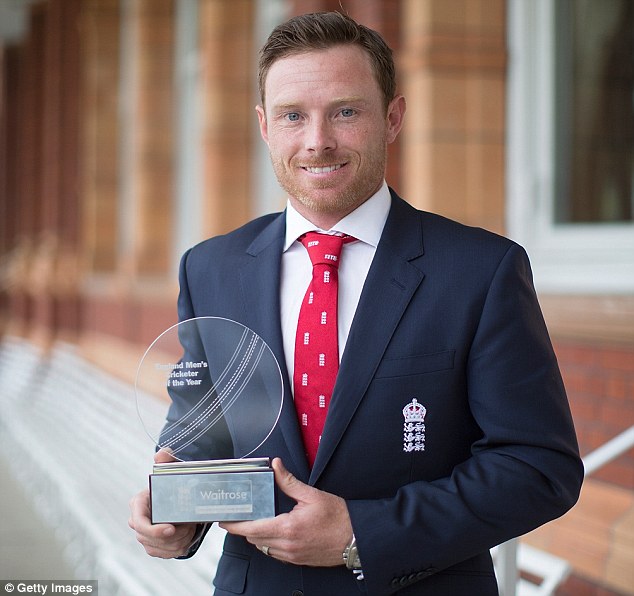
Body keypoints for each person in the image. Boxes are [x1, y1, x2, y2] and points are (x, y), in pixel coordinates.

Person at [129, 11, 583, 596]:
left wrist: (363, 533)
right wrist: (175, 514)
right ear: (265, 125)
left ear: (392, 118)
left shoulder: (481, 271)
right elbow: (202, 436)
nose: (317, 140)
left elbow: (539, 467)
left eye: (345, 112)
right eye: (293, 115)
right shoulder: (210, 268)